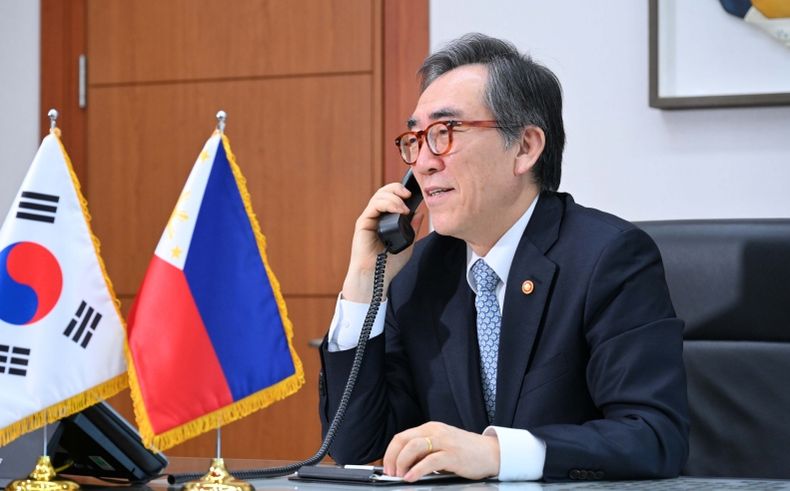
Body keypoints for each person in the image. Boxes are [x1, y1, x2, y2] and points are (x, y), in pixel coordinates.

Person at [318, 33, 689, 482]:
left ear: (525, 147)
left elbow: (653, 436)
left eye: (445, 133)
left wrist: (498, 453)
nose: (423, 163)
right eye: (416, 138)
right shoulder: (420, 271)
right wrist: (365, 283)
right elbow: (356, 445)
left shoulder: (609, 259)